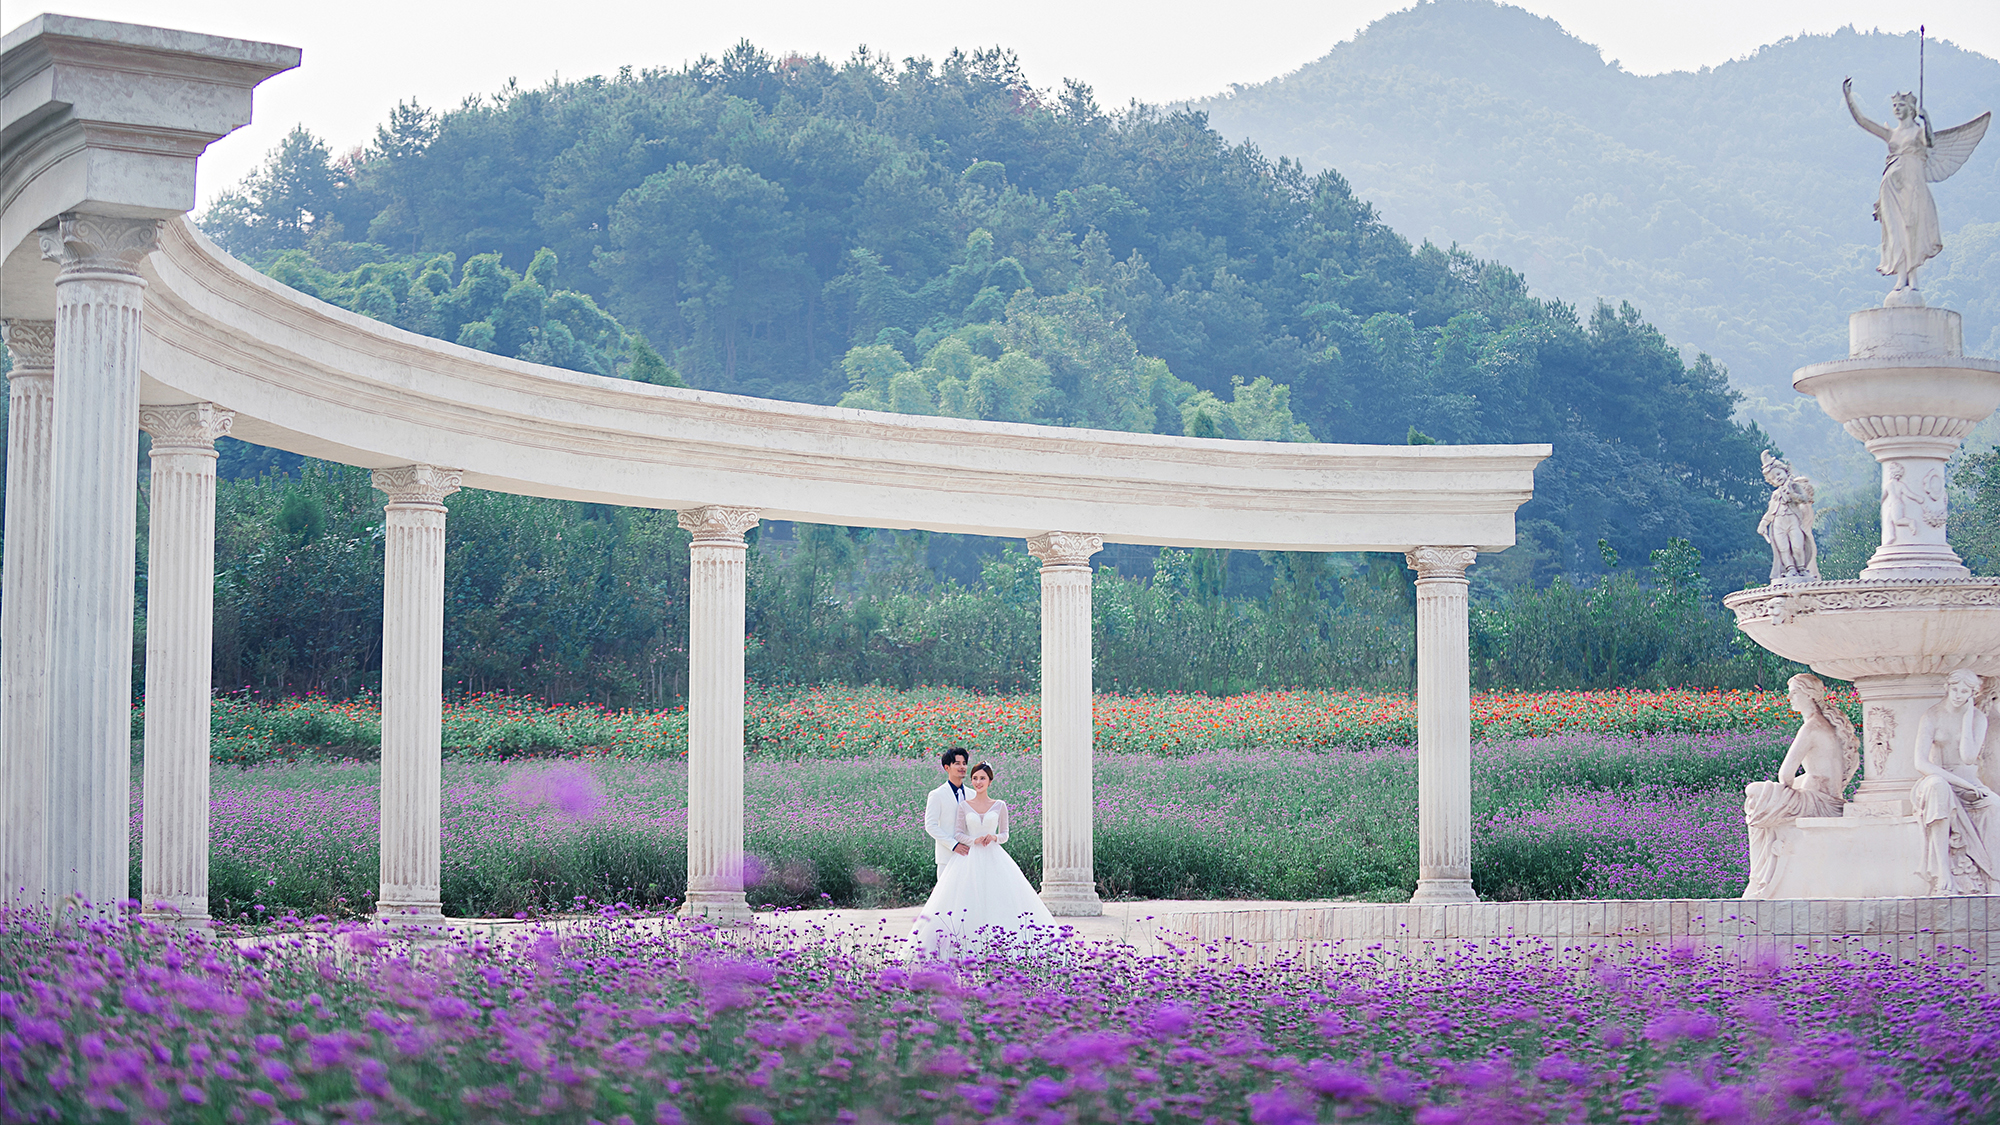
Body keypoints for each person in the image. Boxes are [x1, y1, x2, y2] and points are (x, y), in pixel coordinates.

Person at [908, 762, 1054, 958]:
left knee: (999, 898)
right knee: (965, 899)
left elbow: (1005, 834)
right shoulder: (964, 805)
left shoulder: (1000, 805)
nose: (978, 782)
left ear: (990, 781)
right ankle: (961, 946)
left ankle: (1003, 945)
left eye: (982, 778)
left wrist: (994, 837)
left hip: (995, 856)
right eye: (975, 778)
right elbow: (958, 833)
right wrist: (973, 840)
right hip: (970, 856)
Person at [1742, 674, 1857, 897]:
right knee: (1764, 799)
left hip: (1818, 802)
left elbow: (1785, 775)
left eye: (1794, 693)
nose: (1789, 698)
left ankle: (1758, 879)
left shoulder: (1812, 728)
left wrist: (1788, 788)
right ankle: (1760, 878)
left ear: (1809, 695)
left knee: (1754, 794)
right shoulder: (1827, 725)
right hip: (1829, 800)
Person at [1911, 670, 2000, 894]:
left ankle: (1993, 877)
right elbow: (1920, 763)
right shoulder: (1931, 716)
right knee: (1937, 787)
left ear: (1972, 694)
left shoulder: (1978, 718)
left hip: (1970, 786)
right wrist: (1961, 783)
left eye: (1965, 692)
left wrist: (1968, 717)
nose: (1959, 695)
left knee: (1995, 805)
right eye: (1955, 689)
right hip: (1939, 779)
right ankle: (1943, 872)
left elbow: (1968, 757)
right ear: (1947, 687)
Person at [924, 748, 972, 878]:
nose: (962, 767)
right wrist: (953, 845)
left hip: (970, 857)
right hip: (947, 857)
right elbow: (931, 826)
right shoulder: (937, 795)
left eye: (964, 763)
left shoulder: (973, 794)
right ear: (947, 767)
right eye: (957, 763)